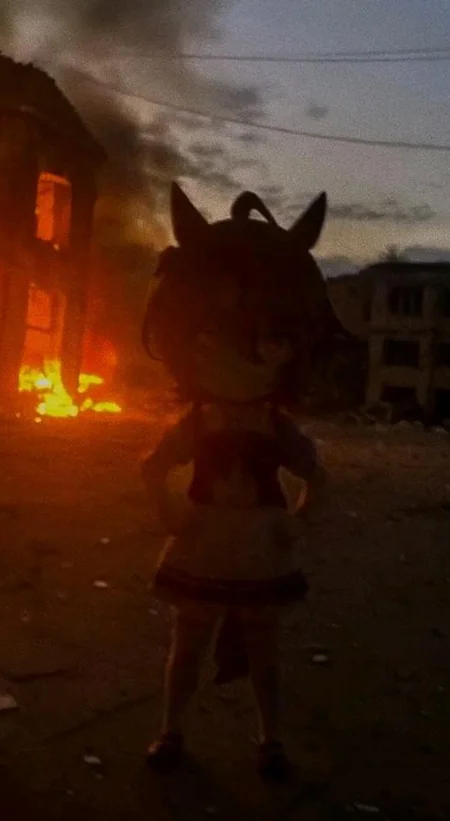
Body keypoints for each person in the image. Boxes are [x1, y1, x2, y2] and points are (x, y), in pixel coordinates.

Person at [140, 182, 340, 781]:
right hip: (203, 541)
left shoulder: (276, 428)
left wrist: (297, 521)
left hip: (257, 549)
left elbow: (317, 475)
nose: (237, 356)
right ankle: (171, 731)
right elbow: (154, 468)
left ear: (289, 348)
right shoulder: (200, 422)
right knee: (188, 646)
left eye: (269, 342)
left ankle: (269, 739)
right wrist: (169, 510)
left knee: (263, 650)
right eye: (212, 339)